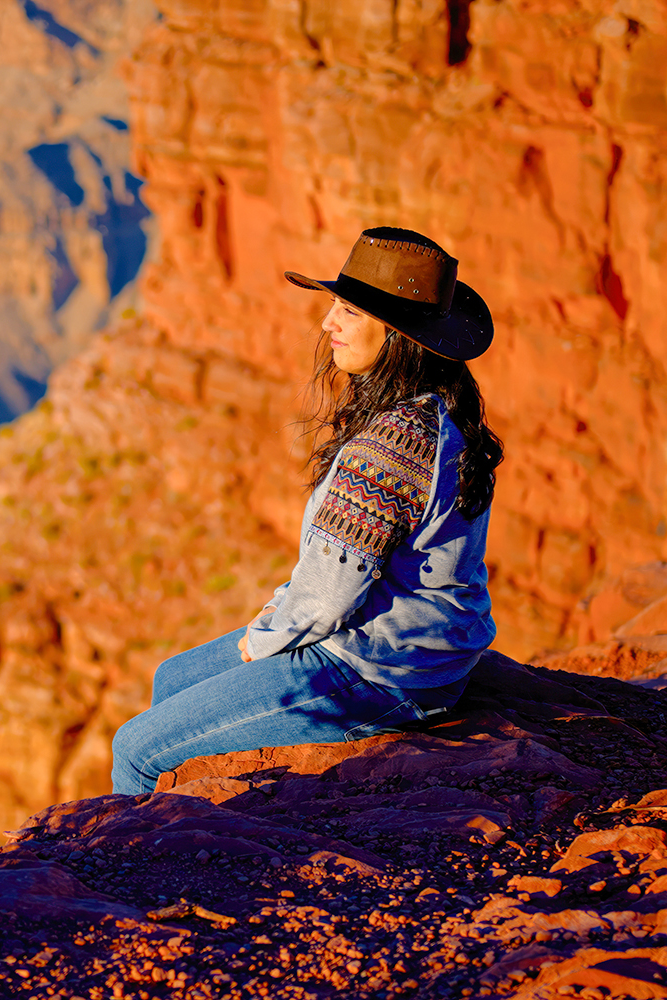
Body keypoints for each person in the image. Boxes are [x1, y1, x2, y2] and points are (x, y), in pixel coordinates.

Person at [110, 227, 505, 795]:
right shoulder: (435, 410)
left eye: (347, 311)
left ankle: (135, 871)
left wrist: (263, 642)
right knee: (174, 676)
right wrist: (272, 622)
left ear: (396, 335)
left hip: (381, 670)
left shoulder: (392, 446)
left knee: (137, 750)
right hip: (406, 646)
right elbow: (336, 572)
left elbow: (326, 598)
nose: (328, 324)